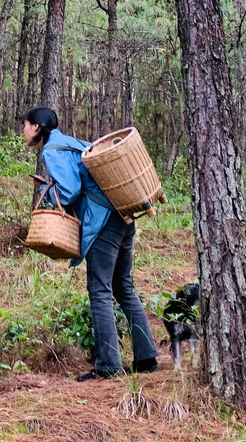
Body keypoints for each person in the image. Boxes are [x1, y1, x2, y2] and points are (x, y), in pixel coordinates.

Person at [22, 106, 158, 380]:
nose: (23, 131)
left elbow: (69, 191)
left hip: (102, 221)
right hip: (123, 215)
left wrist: (44, 192)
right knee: (123, 286)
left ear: (37, 126)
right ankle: (146, 358)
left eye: (25, 125)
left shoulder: (52, 150)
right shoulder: (71, 142)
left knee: (99, 290)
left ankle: (108, 365)